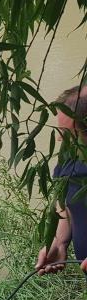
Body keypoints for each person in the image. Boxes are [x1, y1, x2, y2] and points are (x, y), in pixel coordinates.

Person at [36, 84, 87, 275]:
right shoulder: (69, 158)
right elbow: (67, 201)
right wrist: (59, 241)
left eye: (66, 133)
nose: (58, 139)